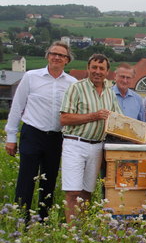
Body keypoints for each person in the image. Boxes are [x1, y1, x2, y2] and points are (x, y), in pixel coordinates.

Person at [5, 41, 77, 222]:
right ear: (48, 55)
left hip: (56, 138)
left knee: (49, 180)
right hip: (32, 133)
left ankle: (44, 220)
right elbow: (17, 106)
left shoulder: (72, 83)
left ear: (67, 60)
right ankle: (21, 221)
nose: (57, 57)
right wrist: (11, 137)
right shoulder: (31, 77)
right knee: (26, 179)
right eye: (54, 53)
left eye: (61, 55)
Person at [60, 54, 122, 222]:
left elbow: (118, 120)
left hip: (97, 146)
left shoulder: (110, 92)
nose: (97, 71)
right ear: (88, 68)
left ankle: (82, 229)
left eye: (101, 68)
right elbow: (64, 118)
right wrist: (93, 116)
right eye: (94, 67)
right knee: (73, 191)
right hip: (75, 143)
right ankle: (72, 233)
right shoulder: (76, 88)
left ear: (107, 72)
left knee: (87, 191)